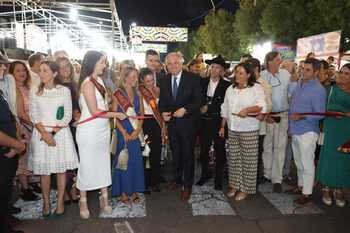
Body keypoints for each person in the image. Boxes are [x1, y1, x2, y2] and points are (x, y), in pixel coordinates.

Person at [76, 51, 126, 219]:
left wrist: (113, 103)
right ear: (93, 63)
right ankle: (82, 200)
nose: (105, 66)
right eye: (102, 62)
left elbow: (103, 105)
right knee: (87, 165)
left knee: (103, 163)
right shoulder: (88, 83)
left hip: (102, 129)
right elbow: (95, 111)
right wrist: (116, 115)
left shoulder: (99, 81)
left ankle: (104, 199)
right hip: (89, 131)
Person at [29, 61, 79, 218]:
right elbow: (33, 114)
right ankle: (46, 203)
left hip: (60, 134)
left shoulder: (64, 90)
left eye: (45, 71)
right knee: (44, 172)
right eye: (40, 71)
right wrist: (45, 133)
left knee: (60, 170)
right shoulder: (34, 91)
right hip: (41, 134)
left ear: (54, 73)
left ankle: (59, 203)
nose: (41, 73)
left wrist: (53, 133)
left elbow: (67, 115)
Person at [158, 52, 202, 201]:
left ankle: (187, 185)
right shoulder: (163, 80)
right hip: (172, 125)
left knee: (188, 156)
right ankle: (177, 180)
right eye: (169, 64)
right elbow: (162, 101)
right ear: (166, 66)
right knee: (175, 154)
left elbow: (199, 100)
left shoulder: (193, 78)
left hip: (189, 124)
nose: (173, 66)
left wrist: (186, 109)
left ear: (181, 63)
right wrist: (163, 112)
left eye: (176, 62)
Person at [220, 62, 266, 201]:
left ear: (248, 74)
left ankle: (246, 189)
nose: (237, 76)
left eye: (241, 73)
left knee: (248, 160)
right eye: (236, 72)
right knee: (233, 159)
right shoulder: (230, 89)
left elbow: (262, 106)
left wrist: (248, 110)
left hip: (248, 129)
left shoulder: (256, 88)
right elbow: (225, 108)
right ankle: (234, 185)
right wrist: (222, 126)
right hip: (233, 127)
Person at [287, 58, 326, 205]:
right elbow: (293, 107)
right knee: (298, 161)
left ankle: (307, 193)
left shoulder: (319, 89)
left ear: (316, 72)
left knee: (307, 163)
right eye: (303, 68)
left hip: (308, 131)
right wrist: (291, 127)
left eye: (308, 70)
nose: (303, 71)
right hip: (296, 129)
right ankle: (301, 186)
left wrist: (302, 116)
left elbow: (321, 114)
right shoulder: (299, 84)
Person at [316, 63, 350, 208]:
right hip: (331, 126)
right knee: (329, 156)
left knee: (343, 158)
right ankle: (326, 188)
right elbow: (322, 107)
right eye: (341, 72)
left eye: (347, 73)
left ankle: (338, 189)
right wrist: (335, 112)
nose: (342, 75)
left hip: (346, 128)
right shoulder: (330, 88)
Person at [0, 55, 26, 233]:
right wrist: (15, 145)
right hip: (4, 150)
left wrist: (16, 138)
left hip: (8, 149)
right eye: (0, 66)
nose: (3, 69)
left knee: (5, 190)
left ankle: (5, 219)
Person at [196, 55, 231, 190]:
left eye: (218, 68)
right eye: (213, 67)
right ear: (210, 68)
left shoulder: (227, 85)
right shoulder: (202, 82)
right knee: (204, 151)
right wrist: (201, 107)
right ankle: (205, 175)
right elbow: (197, 98)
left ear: (222, 70)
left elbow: (226, 104)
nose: (215, 70)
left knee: (220, 151)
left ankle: (218, 179)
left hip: (218, 122)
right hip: (204, 122)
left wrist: (208, 107)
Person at [111, 67, 145, 202]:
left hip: (135, 130)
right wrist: (124, 132)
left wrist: (137, 131)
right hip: (122, 131)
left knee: (135, 161)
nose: (135, 80)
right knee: (123, 161)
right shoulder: (117, 94)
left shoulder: (139, 93)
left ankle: (134, 189)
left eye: (136, 77)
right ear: (124, 77)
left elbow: (141, 114)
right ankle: (123, 191)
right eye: (132, 77)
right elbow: (114, 116)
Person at [261, 51, 291, 193]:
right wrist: (266, 115)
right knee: (267, 146)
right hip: (267, 117)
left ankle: (277, 179)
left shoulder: (286, 75)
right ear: (270, 61)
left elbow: (291, 95)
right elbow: (259, 99)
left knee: (280, 147)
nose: (281, 62)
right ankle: (267, 174)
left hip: (283, 115)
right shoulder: (262, 76)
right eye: (278, 59)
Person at [9, 61, 39, 201]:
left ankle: (31, 183)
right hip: (22, 128)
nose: (22, 73)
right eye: (18, 71)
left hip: (31, 126)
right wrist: (36, 125)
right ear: (12, 74)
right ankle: (25, 189)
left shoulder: (28, 87)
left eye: (24, 70)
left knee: (30, 157)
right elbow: (20, 113)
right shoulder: (14, 89)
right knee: (23, 159)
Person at [247, 58, 272, 185]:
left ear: (256, 68)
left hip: (258, 125)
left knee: (255, 153)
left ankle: (254, 179)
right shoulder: (248, 82)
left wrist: (260, 113)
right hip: (246, 125)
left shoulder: (263, 84)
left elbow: (268, 105)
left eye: (249, 67)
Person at [139, 68, 163, 192]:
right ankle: (146, 181)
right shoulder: (140, 91)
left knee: (156, 152)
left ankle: (155, 180)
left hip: (157, 123)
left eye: (152, 80)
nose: (150, 83)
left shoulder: (158, 90)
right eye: (147, 81)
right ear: (142, 81)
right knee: (146, 153)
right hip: (145, 123)